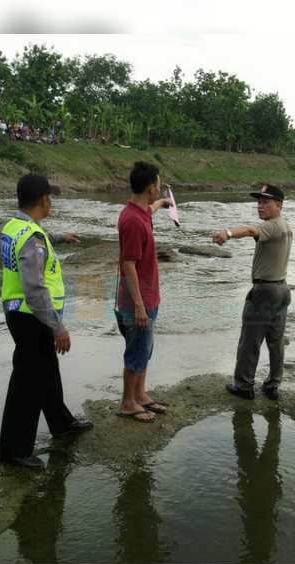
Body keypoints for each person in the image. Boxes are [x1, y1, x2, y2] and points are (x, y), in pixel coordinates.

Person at [0, 173, 92, 469]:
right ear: (44, 200)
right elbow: (35, 289)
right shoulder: (31, 237)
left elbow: (33, 246)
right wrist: (58, 326)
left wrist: (59, 237)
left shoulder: (17, 227)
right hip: (32, 317)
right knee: (27, 384)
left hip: (21, 314)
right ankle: (14, 452)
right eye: (51, 197)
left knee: (47, 372)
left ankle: (62, 424)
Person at [212, 184, 293, 401]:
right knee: (276, 341)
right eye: (259, 202)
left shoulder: (272, 226)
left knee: (250, 341)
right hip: (282, 288)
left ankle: (244, 385)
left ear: (279, 205)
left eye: (266, 202)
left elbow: (250, 230)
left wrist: (227, 233)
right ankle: (272, 385)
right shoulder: (285, 225)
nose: (260, 206)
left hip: (265, 290)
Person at [114, 161, 172, 423]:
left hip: (148, 296)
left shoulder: (140, 211)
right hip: (136, 300)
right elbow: (128, 264)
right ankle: (128, 402)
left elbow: (150, 209)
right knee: (136, 350)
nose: (159, 188)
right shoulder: (132, 221)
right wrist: (138, 304)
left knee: (145, 348)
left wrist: (163, 204)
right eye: (158, 185)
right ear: (151, 187)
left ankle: (140, 393)